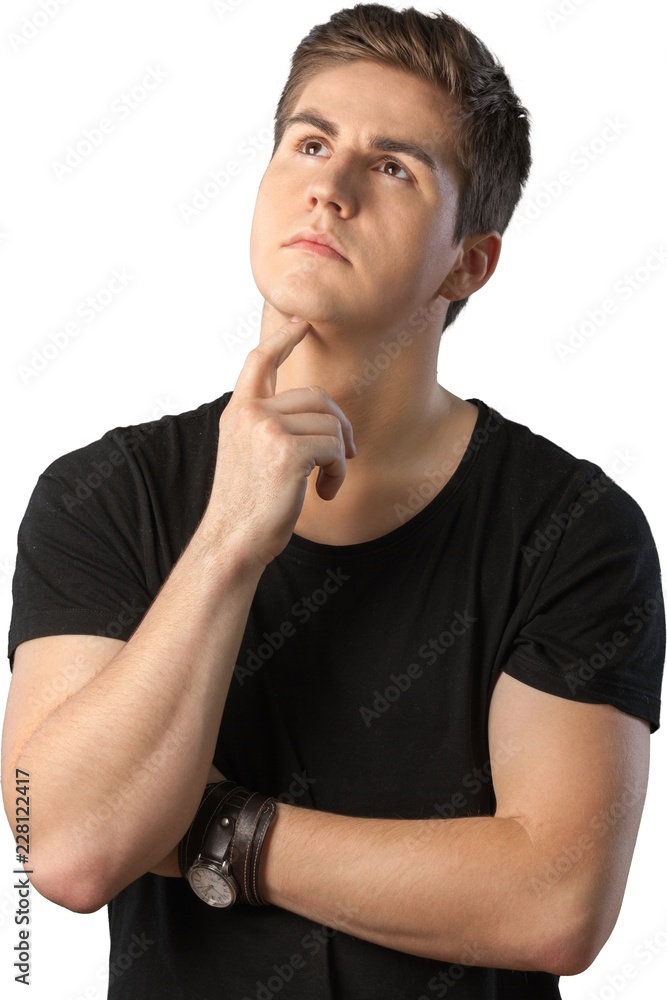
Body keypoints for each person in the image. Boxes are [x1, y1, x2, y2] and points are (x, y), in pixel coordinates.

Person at [3, 4, 664, 998]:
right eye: (310, 142)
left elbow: (555, 901)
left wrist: (221, 829)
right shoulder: (103, 496)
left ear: (468, 261)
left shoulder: (573, 529)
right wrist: (228, 537)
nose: (330, 185)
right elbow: (64, 846)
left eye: (395, 166)